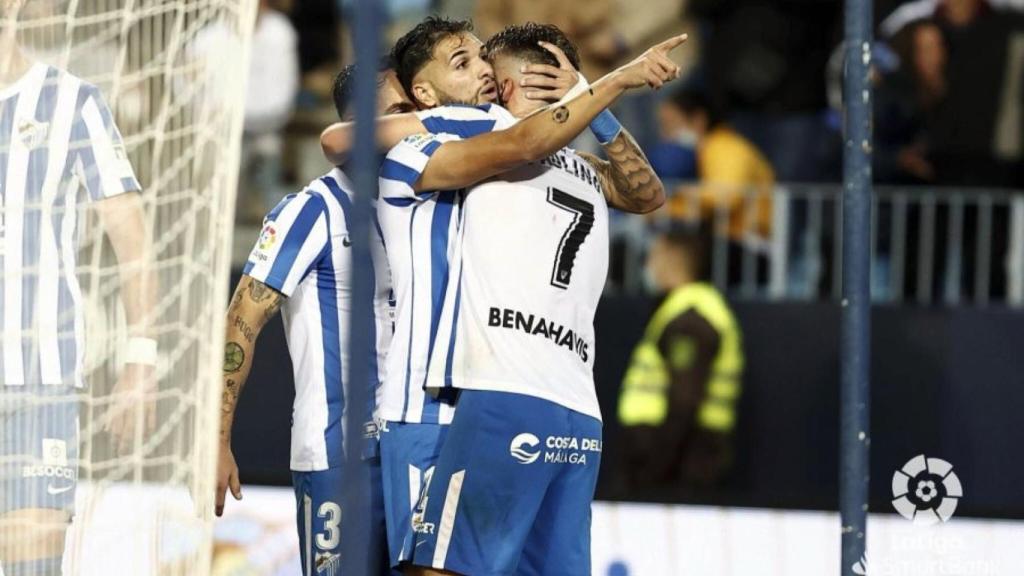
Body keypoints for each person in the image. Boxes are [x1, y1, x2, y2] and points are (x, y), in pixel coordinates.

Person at [319, 18, 681, 573]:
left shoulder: (513, 139)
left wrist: (595, 95)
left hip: (506, 392)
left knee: (438, 564)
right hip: (555, 409)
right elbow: (637, 189)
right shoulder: (491, 138)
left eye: (486, 65)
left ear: (510, 85)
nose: (485, 77)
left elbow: (640, 192)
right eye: (466, 63)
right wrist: (603, 90)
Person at [213, 61, 404, 576]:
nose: (412, 125)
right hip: (338, 456)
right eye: (399, 111)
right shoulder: (312, 209)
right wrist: (216, 438)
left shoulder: (418, 209)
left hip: (410, 450)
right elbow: (242, 318)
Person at [0, 0, 156, 573]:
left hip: (37, 382)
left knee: (31, 566)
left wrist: (141, 360)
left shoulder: (72, 101)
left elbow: (132, 242)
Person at [617, 227, 743, 497]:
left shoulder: (691, 317)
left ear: (673, 257)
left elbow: (685, 399)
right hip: (680, 459)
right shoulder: (687, 309)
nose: (649, 266)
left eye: (654, 256)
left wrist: (655, 468)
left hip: (680, 464)